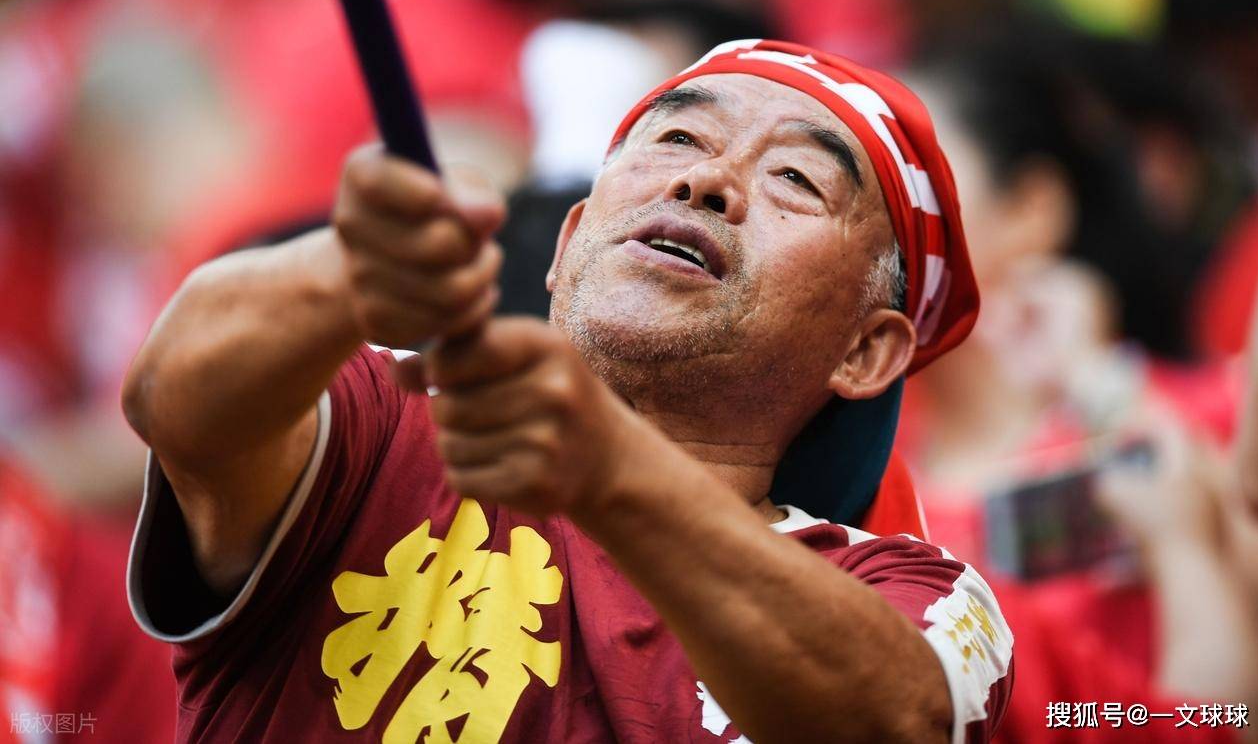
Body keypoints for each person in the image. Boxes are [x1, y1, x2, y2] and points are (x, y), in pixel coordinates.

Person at [122, 40, 1012, 742]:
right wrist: (346, 271)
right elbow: (173, 401)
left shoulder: (915, 592)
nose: (705, 181)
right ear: (566, 244)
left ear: (866, 351)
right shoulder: (388, 427)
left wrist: (612, 468)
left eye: (795, 179)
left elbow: (896, 719)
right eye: (677, 139)